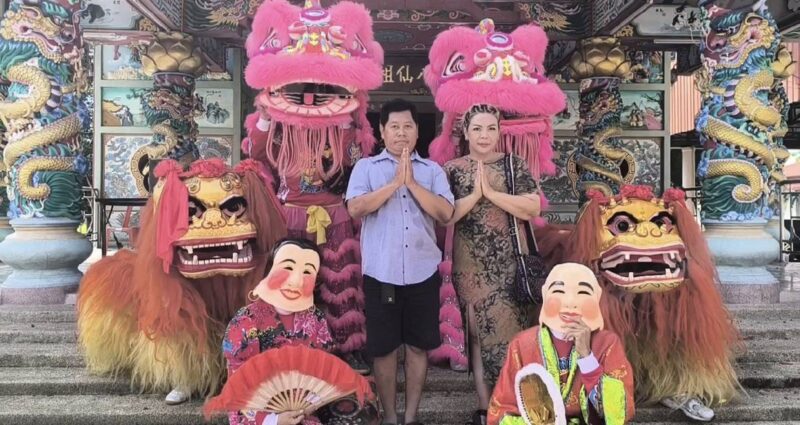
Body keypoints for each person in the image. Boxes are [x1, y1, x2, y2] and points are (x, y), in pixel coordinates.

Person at [345, 98, 455, 425]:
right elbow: (355, 208)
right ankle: (390, 418)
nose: (402, 132)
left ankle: (410, 418)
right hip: (383, 274)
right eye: (394, 126)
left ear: (418, 131)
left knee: (419, 347)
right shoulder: (367, 168)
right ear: (382, 131)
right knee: (385, 349)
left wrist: (412, 184)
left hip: (423, 273)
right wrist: (394, 183)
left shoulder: (432, 171)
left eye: (408, 126)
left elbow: (445, 213)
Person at [442, 104, 542, 425]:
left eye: (490, 128)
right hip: (469, 262)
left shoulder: (514, 164)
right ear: (466, 132)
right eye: (477, 129)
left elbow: (532, 207)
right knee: (476, 333)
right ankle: (485, 407)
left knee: (514, 334)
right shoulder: (452, 169)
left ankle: (513, 402)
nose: (484, 135)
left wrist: (491, 194)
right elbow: (445, 215)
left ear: (499, 132)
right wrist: (474, 196)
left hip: (510, 261)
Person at [488, 263, 635, 425]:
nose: (570, 303)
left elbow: (619, 413)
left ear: (596, 297)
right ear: (545, 294)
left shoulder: (607, 343)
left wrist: (587, 358)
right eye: (559, 291)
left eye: (583, 292)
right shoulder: (522, 344)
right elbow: (502, 410)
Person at [222, 238, 334, 425]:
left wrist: (310, 404)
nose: (296, 281)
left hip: (303, 412)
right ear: (269, 271)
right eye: (287, 268)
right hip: (257, 415)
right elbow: (237, 384)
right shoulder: (246, 321)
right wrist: (273, 420)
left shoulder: (316, 320)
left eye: (307, 272)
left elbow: (324, 371)